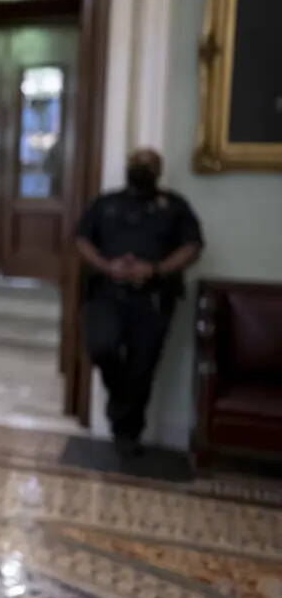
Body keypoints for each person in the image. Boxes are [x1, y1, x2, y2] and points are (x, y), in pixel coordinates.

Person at [76, 147, 203, 456]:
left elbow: (192, 246)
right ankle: (120, 405)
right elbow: (81, 239)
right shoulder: (105, 203)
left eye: (149, 164)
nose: (142, 168)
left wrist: (155, 269)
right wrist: (108, 267)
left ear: (158, 172)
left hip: (153, 298)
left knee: (141, 368)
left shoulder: (174, 206)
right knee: (102, 347)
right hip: (107, 293)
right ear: (127, 167)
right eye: (137, 162)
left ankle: (127, 433)